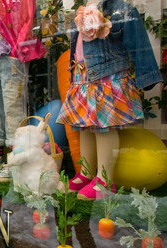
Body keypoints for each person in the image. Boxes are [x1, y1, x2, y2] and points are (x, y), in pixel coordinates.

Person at [56, 0, 163, 200]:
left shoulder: (122, 11)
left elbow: (139, 43)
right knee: (85, 127)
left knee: (103, 128)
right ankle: (86, 174)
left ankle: (105, 180)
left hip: (106, 78)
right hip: (82, 79)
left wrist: (146, 76)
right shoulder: (82, 10)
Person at [0, 0, 46, 182]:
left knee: (13, 112)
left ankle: (15, 162)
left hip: (10, 56)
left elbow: (26, 18)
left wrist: (18, 48)